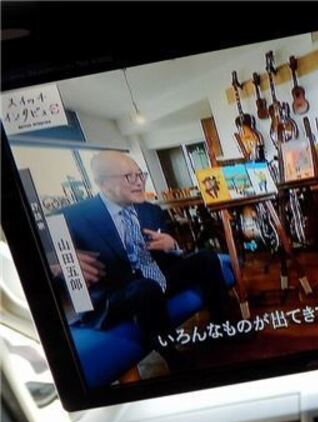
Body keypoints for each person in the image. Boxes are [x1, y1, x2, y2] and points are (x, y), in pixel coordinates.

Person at [61, 151, 230, 369]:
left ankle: (223, 327)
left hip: (155, 279)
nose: (139, 182)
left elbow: (168, 255)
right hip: (114, 295)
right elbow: (42, 253)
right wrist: (60, 262)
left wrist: (173, 245)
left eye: (140, 174)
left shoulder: (151, 209)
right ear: (102, 183)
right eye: (129, 176)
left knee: (206, 257)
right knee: (144, 288)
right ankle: (173, 356)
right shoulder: (69, 217)